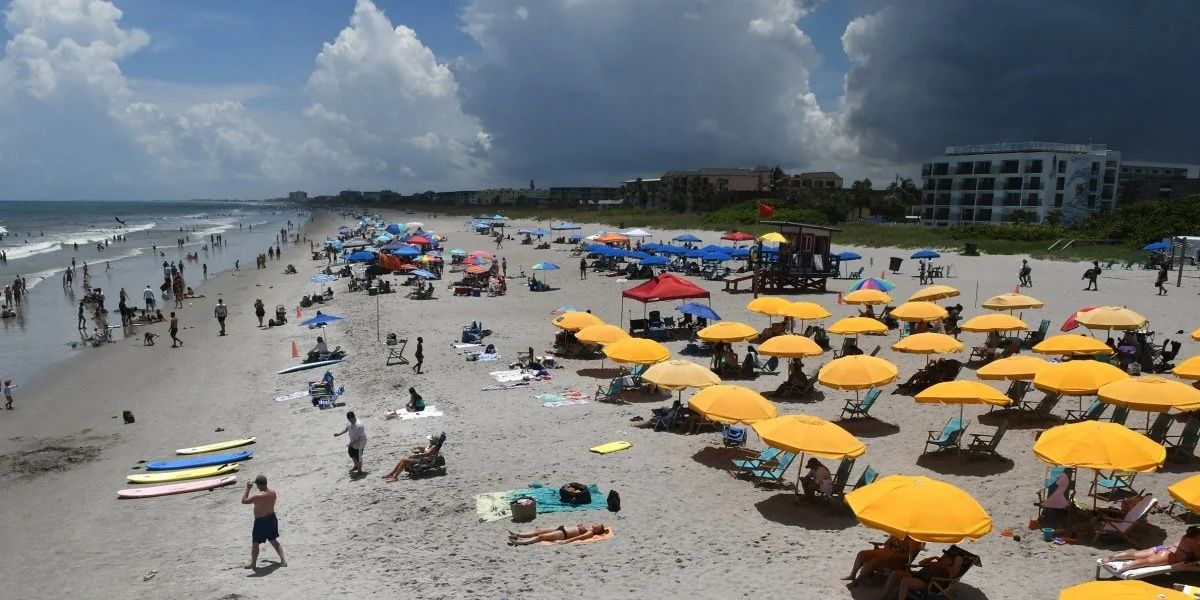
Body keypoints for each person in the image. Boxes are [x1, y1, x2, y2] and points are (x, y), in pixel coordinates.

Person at [877, 547, 966, 600]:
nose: (944, 557)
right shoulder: (936, 562)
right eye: (945, 555)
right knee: (896, 573)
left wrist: (958, 555)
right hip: (917, 576)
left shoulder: (951, 569)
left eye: (947, 557)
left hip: (927, 583)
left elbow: (958, 563)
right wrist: (933, 557)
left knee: (905, 581)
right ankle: (884, 596)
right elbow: (921, 563)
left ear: (952, 561)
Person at [1103, 526, 1200, 574]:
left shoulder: (1184, 537)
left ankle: (1111, 557)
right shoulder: (1194, 542)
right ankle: (1126, 566)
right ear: (1196, 536)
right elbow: (1198, 556)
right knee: (1148, 562)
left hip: (1163, 548)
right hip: (1170, 555)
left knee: (1135, 554)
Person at [241, 474, 286, 569]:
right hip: (272, 518)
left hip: (261, 522)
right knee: (273, 540)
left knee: (255, 543)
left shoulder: (258, 496)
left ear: (259, 485)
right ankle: (283, 561)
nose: (256, 486)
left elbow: (244, 500)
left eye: (257, 484)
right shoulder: (273, 492)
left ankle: (253, 564)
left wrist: (248, 489)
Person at [843, 535, 924, 587]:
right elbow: (887, 543)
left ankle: (857, 581)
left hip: (897, 560)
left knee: (875, 561)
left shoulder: (915, 540)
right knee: (861, 554)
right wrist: (888, 550)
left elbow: (909, 557)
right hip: (885, 552)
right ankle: (852, 575)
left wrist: (893, 556)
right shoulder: (899, 532)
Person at [507, 524, 608, 546]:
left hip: (563, 534)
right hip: (561, 528)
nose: (595, 525)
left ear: (598, 530)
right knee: (539, 530)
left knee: (540, 537)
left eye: (597, 526)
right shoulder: (589, 527)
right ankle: (519, 534)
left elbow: (579, 537)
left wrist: (565, 541)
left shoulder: (590, 533)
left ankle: (520, 542)